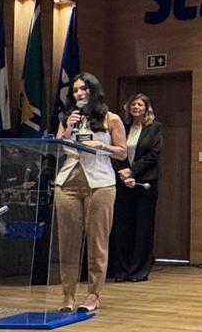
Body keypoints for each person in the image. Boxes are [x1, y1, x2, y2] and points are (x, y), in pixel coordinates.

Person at [54, 72, 127, 313]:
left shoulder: (111, 118)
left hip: (100, 183)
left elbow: (122, 153)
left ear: (94, 90)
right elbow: (56, 149)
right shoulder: (67, 118)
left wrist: (102, 145)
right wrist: (68, 128)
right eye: (75, 90)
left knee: (97, 241)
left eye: (84, 89)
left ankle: (94, 294)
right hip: (68, 182)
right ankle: (68, 295)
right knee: (68, 242)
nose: (79, 93)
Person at [108, 93, 162, 282]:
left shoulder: (154, 128)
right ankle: (121, 270)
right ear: (128, 108)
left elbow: (153, 154)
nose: (136, 107)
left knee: (143, 227)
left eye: (140, 104)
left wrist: (132, 172)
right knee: (122, 227)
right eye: (133, 104)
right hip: (123, 182)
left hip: (145, 182)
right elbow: (116, 151)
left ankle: (139, 271)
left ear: (146, 109)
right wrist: (123, 173)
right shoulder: (123, 127)